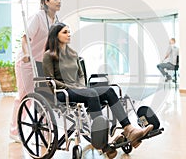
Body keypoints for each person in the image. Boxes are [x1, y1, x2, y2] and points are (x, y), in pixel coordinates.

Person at [42, 22, 154, 158]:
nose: (69, 34)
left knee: (109, 91)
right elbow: (50, 80)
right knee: (92, 93)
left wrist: (81, 86)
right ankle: (103, 143)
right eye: (65, 32)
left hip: (80, 90)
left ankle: (129, 129)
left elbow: (81, 74)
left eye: (69, 31)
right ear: (56, 35)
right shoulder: (49, 55)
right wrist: (72, 87)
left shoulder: (73, 53)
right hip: (62, 92)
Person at [9, 0, 61, 142]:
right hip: (26, 63)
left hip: (42, 64)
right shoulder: (38, 17)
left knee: (44, 97)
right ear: (46, 2)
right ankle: (14, 130)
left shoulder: (57, 20)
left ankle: (44, 131)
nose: (59, 1)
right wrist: (26, 54)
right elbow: (25, 38)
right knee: (25, 96)